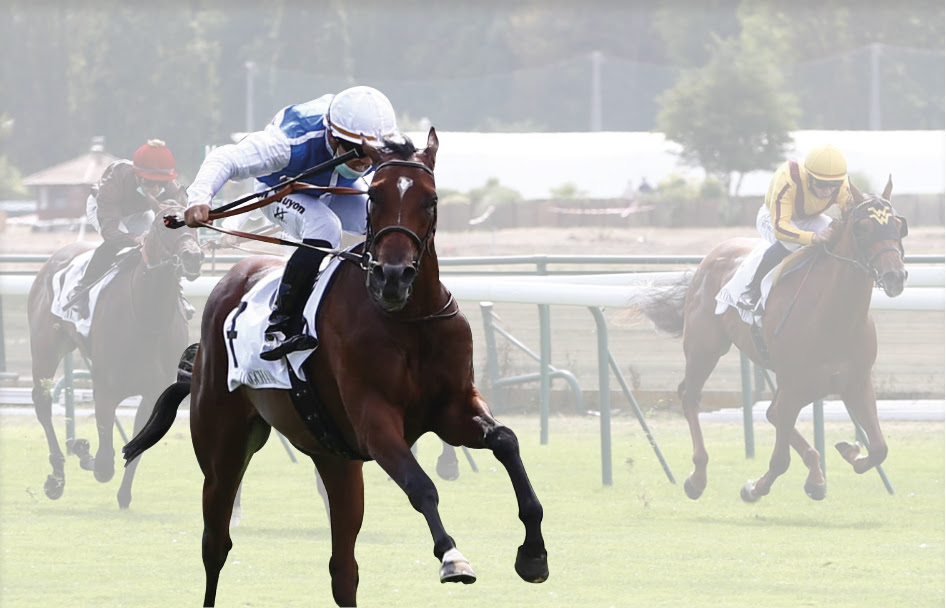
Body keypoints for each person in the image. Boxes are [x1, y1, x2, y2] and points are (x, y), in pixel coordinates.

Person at [184, 85, 400, 361]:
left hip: (334, 186)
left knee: (381, 224)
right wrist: (199, 198)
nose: (366, 161)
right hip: (280, 188)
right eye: (355, 151)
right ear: (333, 138)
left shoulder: (379, 135)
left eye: (374, 152)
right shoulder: (288, 144)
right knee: (326, 228)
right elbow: (224, 158)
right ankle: (281, 323)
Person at [68, 139, 186, 317]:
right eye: (149, 182)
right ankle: (81, 290)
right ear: (137, 176)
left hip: (138, 211)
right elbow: (111, 233)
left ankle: (177, 294)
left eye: (160, 183)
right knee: (117, 244)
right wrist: (136, 239)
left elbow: (179, 218)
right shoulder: (115, 179)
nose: (155, 189)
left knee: (160, 243)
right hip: (104, 208)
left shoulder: (169, 186)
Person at [737, 143, 852, 311]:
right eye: (821, 184)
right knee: (791, 242)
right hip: (773, 217)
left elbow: (851, 214)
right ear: (809, 176)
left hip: (810, 217)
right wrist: (813, 237)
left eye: (833, 185)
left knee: (836, 237)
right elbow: (781, 228)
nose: (828, 191)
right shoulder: (788, 178)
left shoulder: (841, 182)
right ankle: (752, 290)